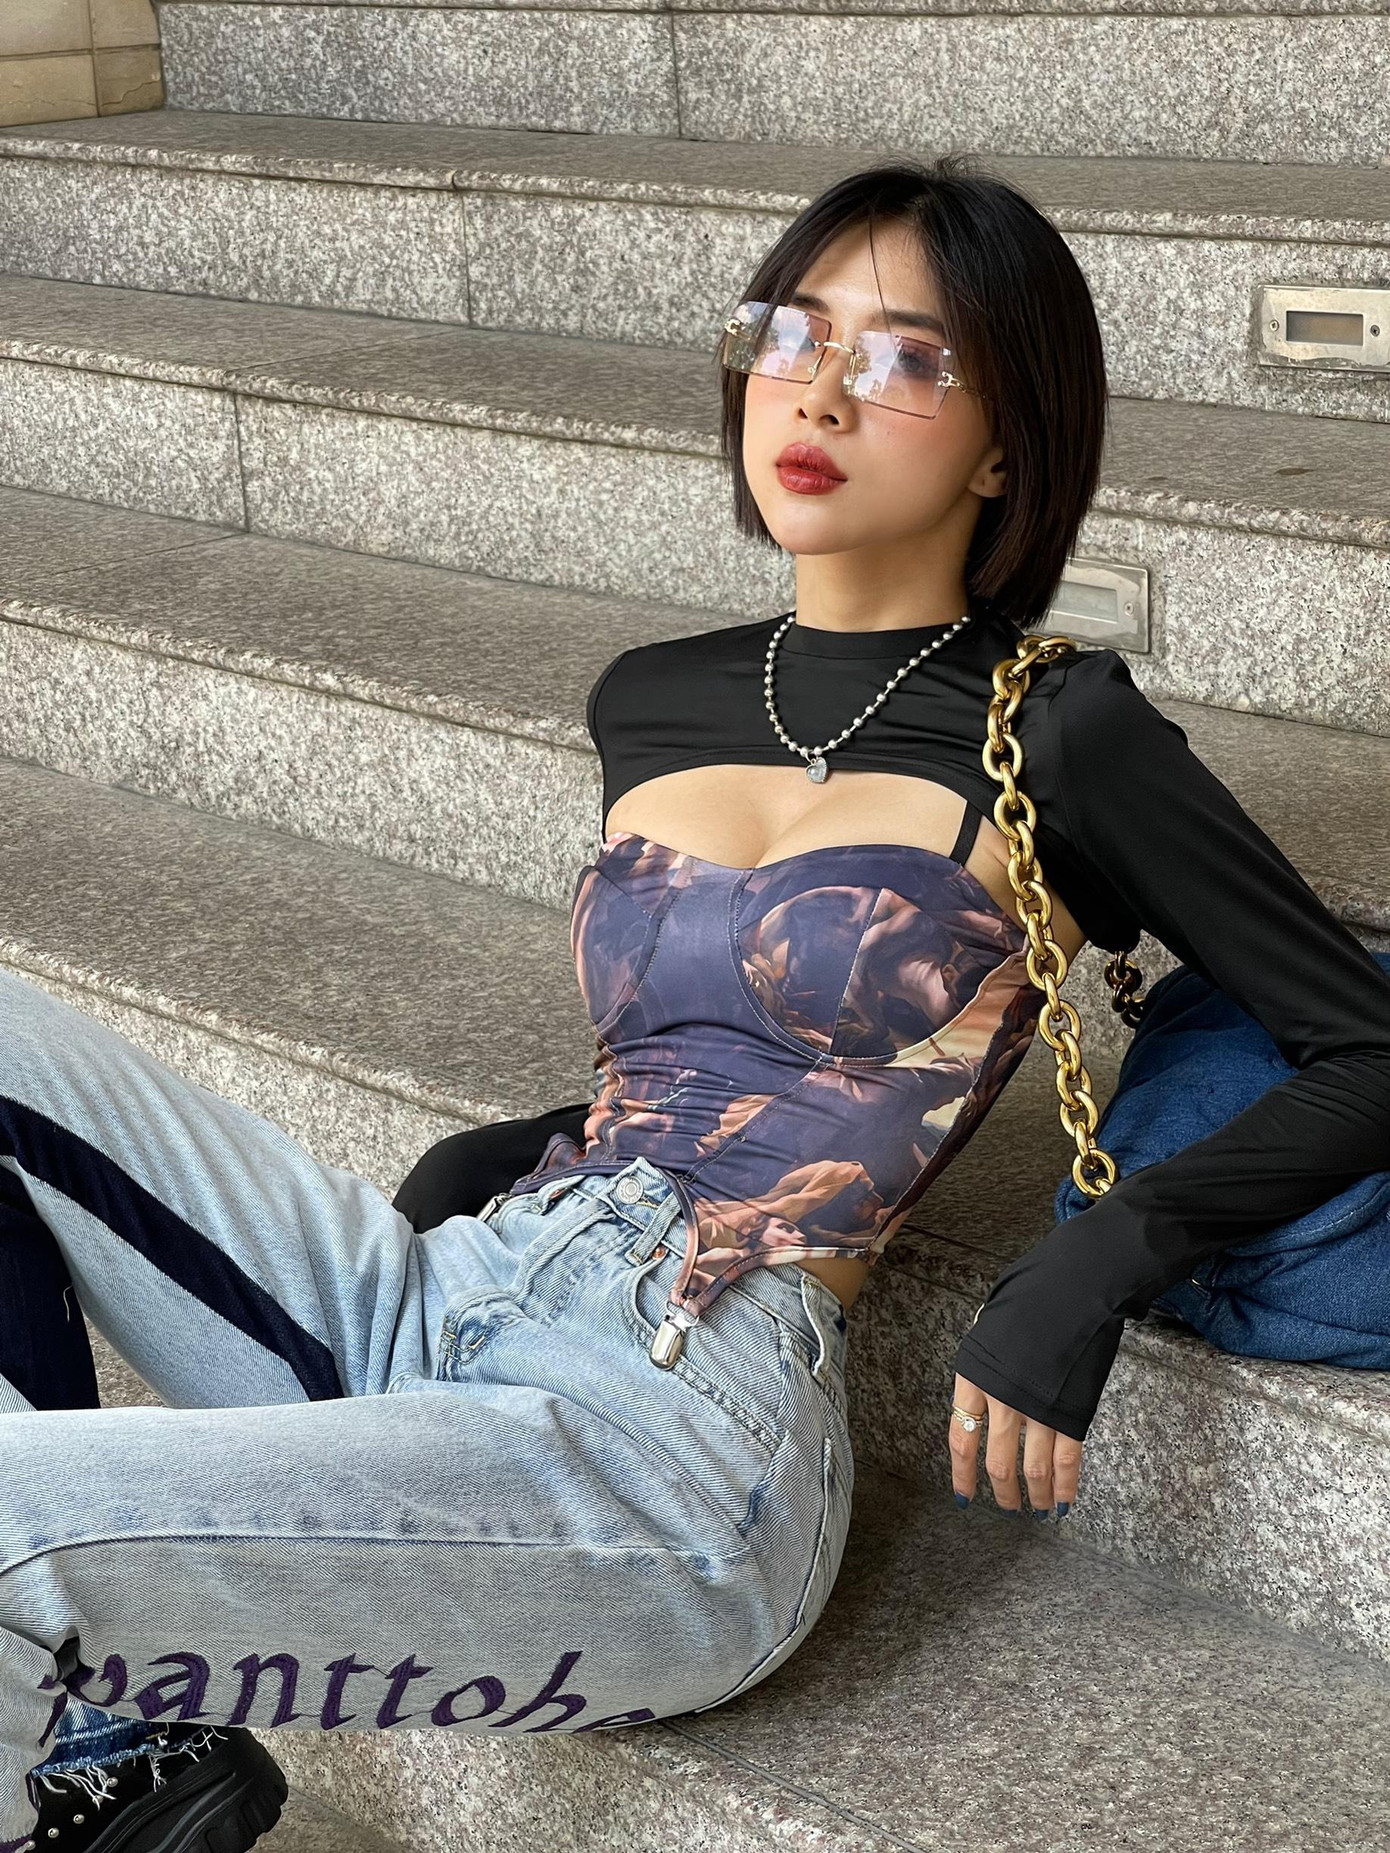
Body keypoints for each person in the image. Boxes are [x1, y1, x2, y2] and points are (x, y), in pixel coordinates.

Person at [6, 151, 1390, 1853]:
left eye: (906, 356)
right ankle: (93, 1750)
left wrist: (1099, 1258)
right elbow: (706, 1033)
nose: (817, 388)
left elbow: (1363, 1046)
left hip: (677, 1427)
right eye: (790, 332)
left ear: (1005, 444)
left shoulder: (1061, 730)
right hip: (466, 1285)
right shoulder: (652, 699)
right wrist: (520, 1151)